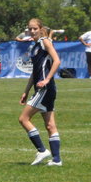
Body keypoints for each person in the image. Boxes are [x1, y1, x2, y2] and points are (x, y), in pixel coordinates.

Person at [19, 20, 62, 166]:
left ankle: (42, 150)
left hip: (45, 88)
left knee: (23, 119)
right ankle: (57, 160)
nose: (32, 31)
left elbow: (57, 61)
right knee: (50, 125)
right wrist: (26, 91)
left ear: (40, 29)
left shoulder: (45, 42)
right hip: (41, 88)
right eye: (30, 29)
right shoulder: (35, 46)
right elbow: (34, 72)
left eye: (35, 28)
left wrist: (47, 79)